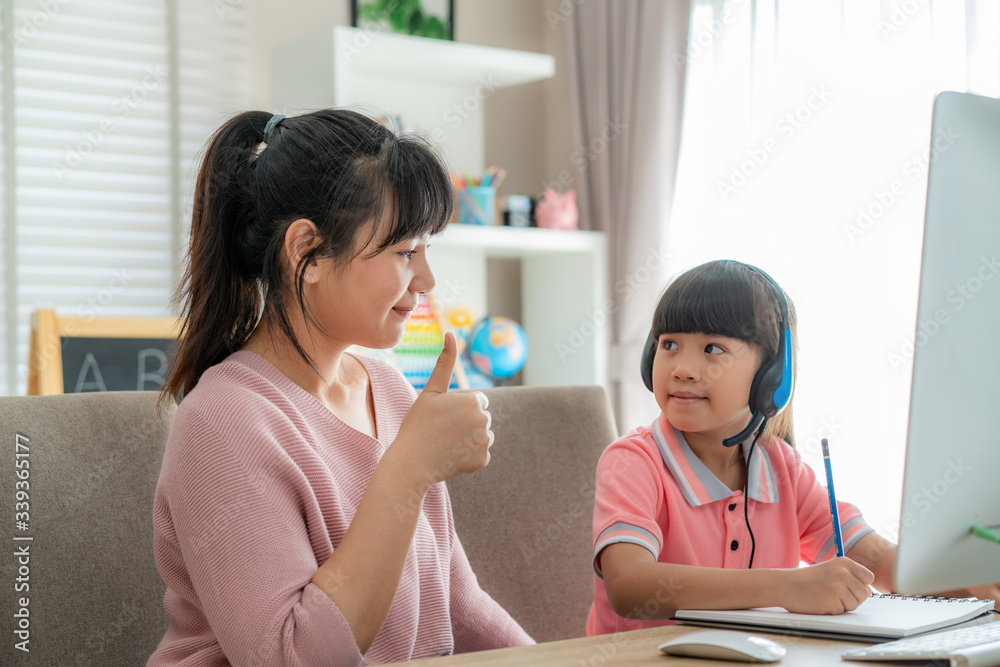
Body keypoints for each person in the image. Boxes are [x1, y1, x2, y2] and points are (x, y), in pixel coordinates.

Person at [149, 109, 533, 665]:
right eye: (405, 252)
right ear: (306, 251)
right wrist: (408, 470)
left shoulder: (392, 389)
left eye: (427, 250)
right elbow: (292, 656)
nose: (426, 280)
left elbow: (460, 607)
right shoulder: (222, 421)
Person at [587, 259, 1000, 635]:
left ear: (773, 374)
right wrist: (788, 586)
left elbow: (872, 557)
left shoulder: (780, 466)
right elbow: (630, 586)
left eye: (713, 349)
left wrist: (963, 581)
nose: (682, 369)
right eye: (668, 344)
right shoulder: (633, 461)